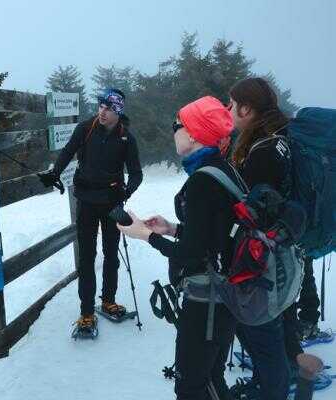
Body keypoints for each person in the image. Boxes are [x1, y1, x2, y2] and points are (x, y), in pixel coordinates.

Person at [118, 96, 239, 400]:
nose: (173, 131)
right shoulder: (223, 169)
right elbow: (216, 234)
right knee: (211, 376)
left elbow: (191, 254)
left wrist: (145, 235)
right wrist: (172, 229)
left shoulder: (202, 181)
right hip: (226, 293)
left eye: (178, 125)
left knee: (190, 385)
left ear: (194, 133)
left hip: (206, 302)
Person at [227, 77, 323, 400]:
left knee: (266, 316)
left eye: (232, 104)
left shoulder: (262, 150)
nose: (228, 110)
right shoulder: (280, 136)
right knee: (283, 309)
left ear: (247, 109)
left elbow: (253, 207)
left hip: (268, 251)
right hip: (288, 241)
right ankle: (291, 365)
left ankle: (272, 381)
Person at [38, 88, 143, 331]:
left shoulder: (127, 137)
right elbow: (67, 152)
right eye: (100, 106)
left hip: (112, 203)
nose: (102, 112)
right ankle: (86, 312)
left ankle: (108, 301)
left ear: (118, 111)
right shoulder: (85, 128)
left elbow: (137, 174)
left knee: (111, 255)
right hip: (85, 201)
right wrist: (54, 173)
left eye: (108, 108)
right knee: (86, 258)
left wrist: (124, 194)